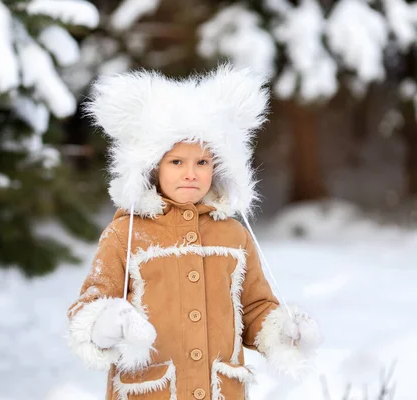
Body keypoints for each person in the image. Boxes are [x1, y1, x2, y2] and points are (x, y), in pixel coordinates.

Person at [66, 65, 322, 400]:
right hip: (150, 392)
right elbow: (90, 304)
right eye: (176, 162)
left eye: (202, 162)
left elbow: (255, 307)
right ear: (152, 166)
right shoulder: (126, 234)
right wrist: (106, 324)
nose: (191, 174)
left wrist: (283, 331)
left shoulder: (233, 236)